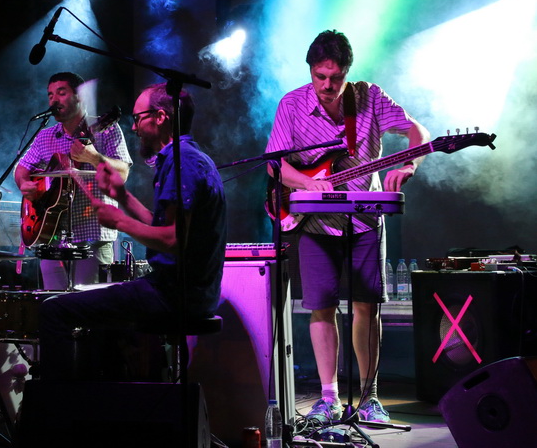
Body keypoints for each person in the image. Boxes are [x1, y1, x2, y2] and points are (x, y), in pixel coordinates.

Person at [265, 30, 430, 424]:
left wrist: (409, 164)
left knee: (366, 307)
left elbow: (417, 132)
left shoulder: (369, 97)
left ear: (347, 72)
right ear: (311, 71)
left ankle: (369, 398)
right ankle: (329, 399)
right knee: (320, 308)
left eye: (335, 78)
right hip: (316, 222)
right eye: (320, 76)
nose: (327, 85)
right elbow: (275, 164)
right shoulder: (292, 104)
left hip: (365, 219)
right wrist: (307, 183)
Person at [38, 82, 226, 381]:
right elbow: (162, 226)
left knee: (54, 311)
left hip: (174, 295)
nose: (135, 127)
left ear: (160, 117)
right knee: (88, 308)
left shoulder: (183, 162)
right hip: (187, 292)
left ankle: (64, 404)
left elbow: (174, 240)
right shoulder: (186, 157)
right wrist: (122, 197)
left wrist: (119, 222)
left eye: (138, 118)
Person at [15, 72, 132, 288]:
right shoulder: (45, 136)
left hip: (92, 234)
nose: (54, 100)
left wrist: (93, 157)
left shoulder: (107, 129)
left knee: (88, 303)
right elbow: (22, 168)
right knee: (54, 301)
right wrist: (25, 184)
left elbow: (122, 174)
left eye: (61, 93)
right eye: (50, 95)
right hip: (52, 234)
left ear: (79, 96)